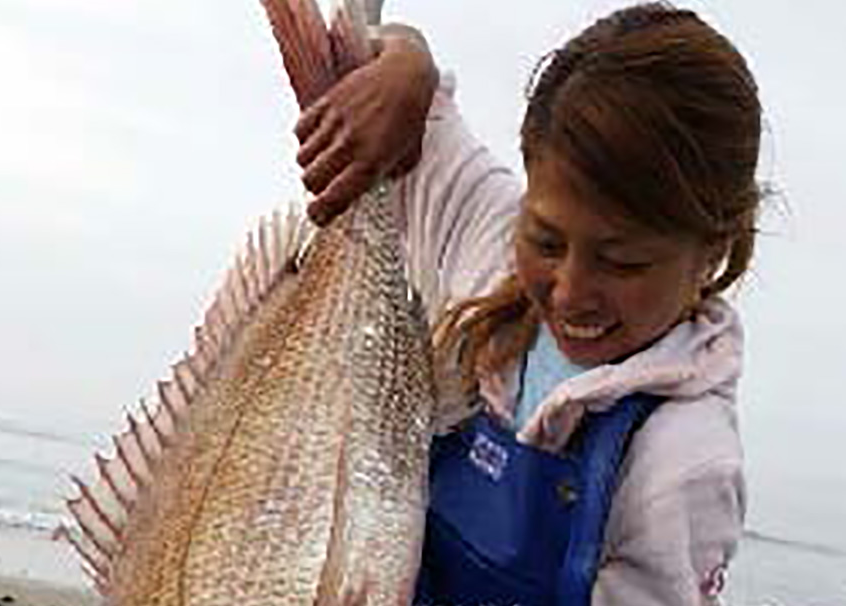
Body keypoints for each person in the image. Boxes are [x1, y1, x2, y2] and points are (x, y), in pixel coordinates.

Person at [293, 2, 762, 605]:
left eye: (623, 263)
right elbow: (396, 113)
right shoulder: (493, 249)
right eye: (545, 240)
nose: (568, 292)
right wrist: (409, 60)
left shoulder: (684, 465)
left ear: (709, 255)